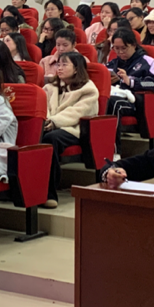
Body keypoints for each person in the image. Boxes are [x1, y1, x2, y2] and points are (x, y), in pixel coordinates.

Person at [42, 52, 99, 208]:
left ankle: (49, 193)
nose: (59, 68)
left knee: (51, 139)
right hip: (52, 125)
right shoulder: (50, 87)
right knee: (35, 136)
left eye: (64, 64)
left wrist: (54, 121)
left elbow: (77, 113)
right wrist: (47, 120)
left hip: (75, 129)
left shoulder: (88, 89)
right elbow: (44, 107)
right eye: (58, 64)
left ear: (76, 69)